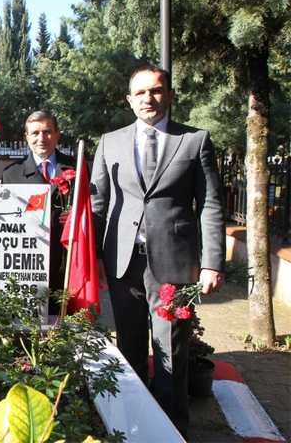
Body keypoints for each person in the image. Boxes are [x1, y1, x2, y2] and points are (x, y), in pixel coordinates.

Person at [90, 63, 225, 435]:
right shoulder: (110, 142)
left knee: (171, 351)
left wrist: (212, 263)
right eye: (140, 92)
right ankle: (131, 426)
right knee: (129, 347)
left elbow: (211, 204)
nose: (148, 98)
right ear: (129, 100)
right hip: (122, 262)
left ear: (168, 94)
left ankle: (170, 431)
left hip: (174, 265)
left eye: (156, 90)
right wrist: (93, 261)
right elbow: (99, 204)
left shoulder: (195, 140)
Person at [2, 110, 75, 313]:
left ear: (58, 134)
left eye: (47, 132)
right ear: (26, 136)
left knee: (64, 322)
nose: (41, 138)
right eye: (34, 133)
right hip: (27, 262)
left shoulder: (76, 168)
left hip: (65, 260)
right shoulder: (12, 174)